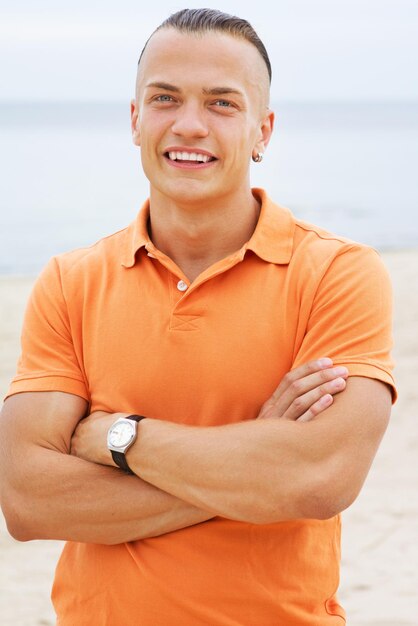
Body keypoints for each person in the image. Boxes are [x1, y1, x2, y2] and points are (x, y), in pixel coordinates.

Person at [0, 8, 395, 626]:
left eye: (221, 103)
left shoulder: (337, 273)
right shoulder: (69, 282)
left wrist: (115, 439)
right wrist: (256, 472)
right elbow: (27, 500)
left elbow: (320, 478)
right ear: (135, 120)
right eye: (164, 98)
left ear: (263, 131)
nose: (189, 125)